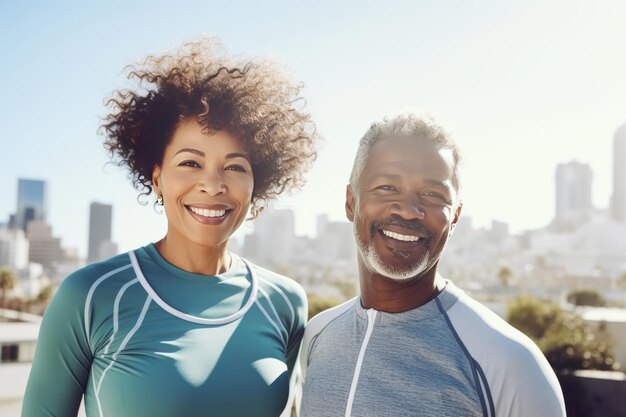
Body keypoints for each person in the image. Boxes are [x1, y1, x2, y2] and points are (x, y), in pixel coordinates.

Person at [22, 38, 318, 417]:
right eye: (191, 163)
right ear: (157, 178)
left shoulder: (286, 302)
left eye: (235, 166)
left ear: (256, 184)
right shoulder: (90, 296)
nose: (213, 185)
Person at [299, 112, 566, 417]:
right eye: (387, 187)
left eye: (432, 194)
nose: (409, 210)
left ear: (454, 216)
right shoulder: (318, 335)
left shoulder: (509, 361)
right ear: (351, 201)